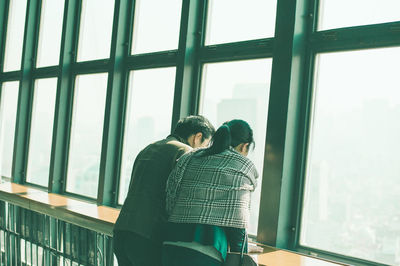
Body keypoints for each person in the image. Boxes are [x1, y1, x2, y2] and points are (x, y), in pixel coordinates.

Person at [113, 115, 215, 266]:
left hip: (122, 230)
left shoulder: (149, 148)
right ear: (197, 137)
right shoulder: (186, 153)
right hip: (148, 236)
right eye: (205, 144)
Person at [162, 119, 258, 266]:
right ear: (244, 146)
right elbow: (238, 220)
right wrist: (240, 256)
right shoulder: (242, 166)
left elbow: (171, 196)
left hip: (171, 242)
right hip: (206, 251)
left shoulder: (190, 156)